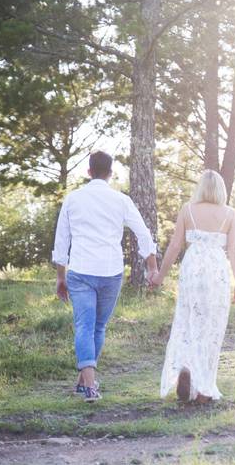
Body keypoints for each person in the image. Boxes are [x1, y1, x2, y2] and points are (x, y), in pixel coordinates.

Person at [52, 151, 159, 402]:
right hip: (111, 272)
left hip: (80, 271)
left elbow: (62, 240)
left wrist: (60, 276)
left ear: (89, 172)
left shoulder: (73, 199)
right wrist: (152, 267)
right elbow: (143, 234)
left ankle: (85, 383)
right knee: (98, 327)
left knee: (84, 326)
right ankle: (89, 385)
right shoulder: (121, 200)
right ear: (111, 173)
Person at [152, 169, 235, 404]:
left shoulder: (187, 210)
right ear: (221, 189)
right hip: (216, 272)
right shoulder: (230, 213)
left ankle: (186, 367)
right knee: (212, 328)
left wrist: (160, 276)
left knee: (188, 321)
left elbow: (174, 246)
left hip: (192, 269)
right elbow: (233, 250)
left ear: (200, 188)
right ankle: (203, 390)